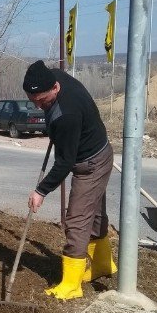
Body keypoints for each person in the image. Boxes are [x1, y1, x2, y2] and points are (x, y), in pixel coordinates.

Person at [23, 60, 117, 300]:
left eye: (42, 101)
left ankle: (71, 285)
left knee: (76, 219)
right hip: (97, 150)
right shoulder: (50, 77)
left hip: (91, 163)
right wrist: (51, 124)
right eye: (33, 101)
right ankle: (103, 265)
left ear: (55, 87)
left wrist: (41, 191)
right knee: (94, 214)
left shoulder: (67, 115)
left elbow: (64, 163)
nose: (38, 106)